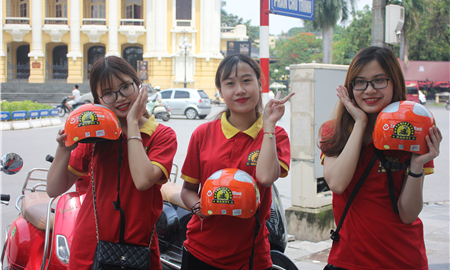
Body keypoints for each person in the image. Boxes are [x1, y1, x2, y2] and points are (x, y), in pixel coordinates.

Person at [46, 56, 177, 270]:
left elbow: (143, 181)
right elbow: (53, 189)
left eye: (125, 87)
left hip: (139, 248)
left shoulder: (162, 136)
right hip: (90, 245)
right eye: (107, 93)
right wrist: (63, 150)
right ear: (98, 100)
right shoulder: (95, 136)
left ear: (139, 85)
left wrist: (133, 122)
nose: (119, 97)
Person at [319, 46, 442, 270]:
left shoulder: (413, 132)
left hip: (403, 260)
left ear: (394, 83)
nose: (369, 90)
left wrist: (416, 165)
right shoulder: (333, 131)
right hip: (348, 260)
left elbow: (408, 214)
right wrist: (360, 123)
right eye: (360, 82)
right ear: (350, 87)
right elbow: (337, 183)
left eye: (379, 80)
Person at [179, 54, 295, 270]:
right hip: (199, 252)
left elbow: (266, 178)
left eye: (246, 80)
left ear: (260, 85)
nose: (239, 90)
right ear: (220, 91)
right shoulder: (203, 134)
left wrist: (268, 126)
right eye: (230, 83)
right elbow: (188, 190)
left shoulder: (276, 134)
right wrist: (198, 207)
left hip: (251, 257)